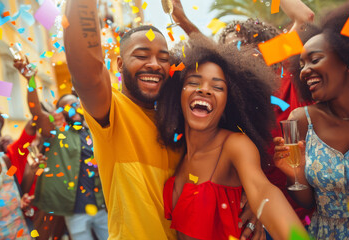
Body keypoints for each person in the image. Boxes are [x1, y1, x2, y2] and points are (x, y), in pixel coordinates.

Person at [64, 1, 265, 239]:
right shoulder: (112, 112)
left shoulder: (181, 119)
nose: (154, 64)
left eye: (163, 58)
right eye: (141, 55)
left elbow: (220, 74)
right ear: (119, 64)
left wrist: (254, 200)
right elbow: (85, 70)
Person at [156, 37, 306, 240]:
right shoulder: (175, 153)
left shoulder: (235, 145)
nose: (204, 89)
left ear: (229, 102)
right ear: (177, 93)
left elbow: (263, 192)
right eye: (193, 82)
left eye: (218, 87)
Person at [273, 0, 349, 239]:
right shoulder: (301, 120)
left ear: (347, 61)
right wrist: (295, 175)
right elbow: (307, 202)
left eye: (315, 59)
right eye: (302, 64)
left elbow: (305, 15)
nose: (305, 70)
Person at [14, 58, 108, 240]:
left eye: (76, 102)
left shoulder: (95, 130)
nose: (74, 106)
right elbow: (36, 112)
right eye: (67, 105)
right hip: (75, 211)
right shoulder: (57, 133)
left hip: (102, 206)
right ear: (60, 113)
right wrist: (30, 80)